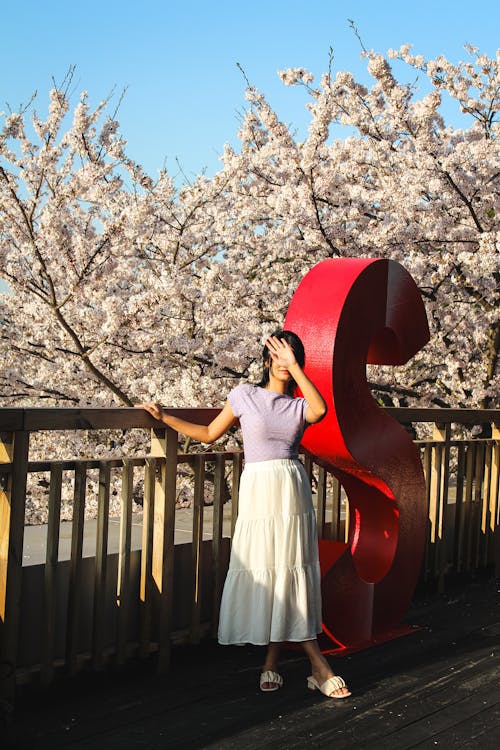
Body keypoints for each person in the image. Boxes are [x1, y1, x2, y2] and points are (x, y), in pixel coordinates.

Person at [137, 331, 351, 699]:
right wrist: (166, 419)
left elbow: (320, 410)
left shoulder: (299, 405)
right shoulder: (245, 395)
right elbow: (208, 433)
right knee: (268, 567)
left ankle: (284, 663)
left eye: (293, 355)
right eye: (280, 355)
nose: (285, 362)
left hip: (290, 488)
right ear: (267, 358)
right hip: (258, 488)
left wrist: (296, 368)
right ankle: (307, 664)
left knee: (290, 567)